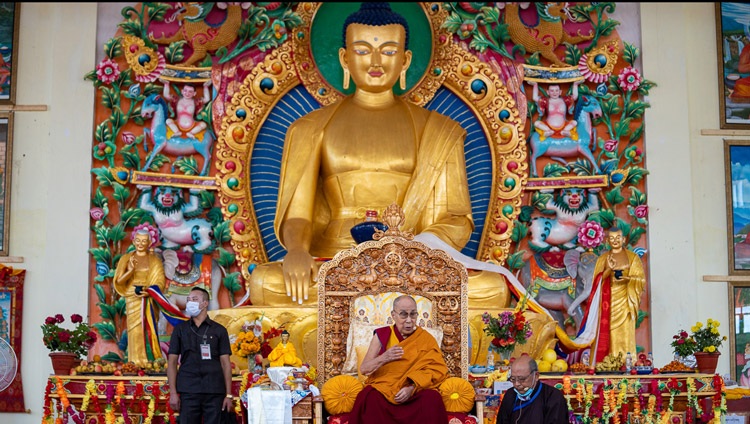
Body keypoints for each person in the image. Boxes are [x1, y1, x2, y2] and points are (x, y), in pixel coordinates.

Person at [248, 1, 509, 309]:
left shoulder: (439, 129)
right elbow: (299, 215)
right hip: (336, 262)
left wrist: (408, 249)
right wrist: (296, 251)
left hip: (412, 265)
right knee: (265, 281)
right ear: (344, 59)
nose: (375, 61)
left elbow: (455, 218)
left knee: (492, 289)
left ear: (405, 60)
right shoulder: (309, 127)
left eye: (388, 51)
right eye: (361, 50)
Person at [349, 295, 448, 424]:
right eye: (403, 315)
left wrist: (412, 387)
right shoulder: (382, 335)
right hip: (385, 390)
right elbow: (364, 369)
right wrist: (384, 357)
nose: (409, 320)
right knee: (369, 397)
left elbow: (437, 370)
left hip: (413, 392)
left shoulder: (426, 339)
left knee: (432, 398)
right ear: (393, 315)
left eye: (413, 314)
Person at [167, 287, 234, 423]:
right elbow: (172, 362)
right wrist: (173, 393)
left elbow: (226, 364)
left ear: (205, 303)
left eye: (195, 299)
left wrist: (228, 395)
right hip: (189, 390)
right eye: (188, 300)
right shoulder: (180, 330)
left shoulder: (219, 330)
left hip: (214, 391)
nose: (190, 302)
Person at [590, 226, 646, 363]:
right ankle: (609, 362)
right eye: (612, 238)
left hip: (626, 300)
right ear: (607, 240)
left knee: (625, 332)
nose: (615, 241)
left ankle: (628, 362)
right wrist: (608, 270)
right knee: (608, 333)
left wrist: (629, 279)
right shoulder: (603, 259)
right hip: (607, 303)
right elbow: (596, 283)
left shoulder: (632, 258)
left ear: (624, 239)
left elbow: (641, 280)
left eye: (618, 238)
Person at [114, 226, 167, 365]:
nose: (140, 244)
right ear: (133, 241)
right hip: (132, 296)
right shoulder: (126, 258)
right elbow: (119, 281)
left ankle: (149, 361)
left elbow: (160, 280)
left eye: (144, 241)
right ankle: (135, 361)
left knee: (148, 328)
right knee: (134, 330)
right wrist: (130, 271)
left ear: (150, 243)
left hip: (148, 297)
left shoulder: (154, 260)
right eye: (138, 240)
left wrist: (150, 290)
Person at [496, 354, 568, 424]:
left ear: (536, 376)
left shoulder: (553, 397)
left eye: (522, 379)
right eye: (513, 379)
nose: (517, 384)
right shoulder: (510, 395)